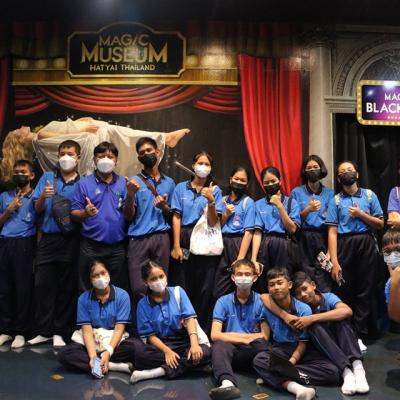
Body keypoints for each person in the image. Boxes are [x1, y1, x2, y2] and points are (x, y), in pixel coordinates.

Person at [263, 271, 369, 395]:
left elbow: (347, 311)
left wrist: (311, 318)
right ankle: (346, 372)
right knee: (314, 330)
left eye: (305, 289)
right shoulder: (301, 308)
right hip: (321, 349)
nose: (303, 295)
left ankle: (358, 368)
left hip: (340, 342)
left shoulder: (328, 297)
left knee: (340, 321)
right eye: (298, 293)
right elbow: (264, 297)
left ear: (313, 285)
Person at [1, 117, 190, 179]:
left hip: (88, 135)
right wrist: (83, 128)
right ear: (19, 139)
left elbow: (66, 130)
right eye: (18, 130)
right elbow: (66, 138)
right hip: (88, 138)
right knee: (122, 134)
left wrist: (82, 122)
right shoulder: (39, 136)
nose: (22, 126)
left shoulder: (39, 139)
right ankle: (165, 138)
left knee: (123, 137)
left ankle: (164, 138)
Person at [253, 268, 340, 400]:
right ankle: (295, 387)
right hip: (280, 349)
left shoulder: (303, 309)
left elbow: (303, 343)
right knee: (259, 360)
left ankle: (276, 375)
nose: (276, 287)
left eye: (280, 283)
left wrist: (291, 363)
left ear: (289, 285)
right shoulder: (267, 307)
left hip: (301, 351)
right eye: (272, 285)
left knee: (332, 372)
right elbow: (263, 299)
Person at [28, 140, 81, 348]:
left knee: (66, 287)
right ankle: (44, 331)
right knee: (43, 285)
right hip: (47, 239)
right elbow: (37, 209)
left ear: (78, 158)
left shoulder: (83, 183)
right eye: (62, 153)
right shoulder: (47, 177)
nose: (66, 157)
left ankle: (60, 331)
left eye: (70, 153)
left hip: (70, 240)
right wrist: (42, 196)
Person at [326, 160, 384, 351]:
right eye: (342, 171)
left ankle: (360, 334)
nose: (346, 173)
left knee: (365, 289)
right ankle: (346, 334)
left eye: (350, 170)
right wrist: (334, 261)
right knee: (345, 290)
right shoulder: (335, 200)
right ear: (338, 178)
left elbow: (380, 224)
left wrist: (361, 214)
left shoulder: (369, 195)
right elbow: (332, 231)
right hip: (344, 244)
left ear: (357, 174)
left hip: (366, 242)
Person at [130, 260, 211, 384]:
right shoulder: (143, 304)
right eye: (153, 279)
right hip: (162, 345)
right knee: (141, 356)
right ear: (146, 282)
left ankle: (159, 372)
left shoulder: (178, 292)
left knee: (206, 352)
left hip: (184, 342)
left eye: (161, 276)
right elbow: (150, 336)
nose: (159, 281)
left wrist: (194, 345)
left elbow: (190, 319)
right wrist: (167, 351)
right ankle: (191, 366)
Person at [170, 151, 224, 332]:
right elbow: (176, 217)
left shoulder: (215, 190)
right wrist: (176, 245)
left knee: (205, 288)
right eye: (200, 163)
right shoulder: (180, 188)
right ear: (193, 165)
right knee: (184, 285)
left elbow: (213, 222)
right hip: (185, 237)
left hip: (205, 238)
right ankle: (184, 330)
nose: (203, 167)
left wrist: (211, 201)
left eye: (207, 164)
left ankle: (202, 331)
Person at [58, 260, 135, 375]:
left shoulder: (122, 295)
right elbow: (87, 332)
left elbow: (119, 329)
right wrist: (93, 357)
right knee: (64, 354)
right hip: (92, 342)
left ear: (109, 273)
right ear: (90, 279)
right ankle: (110, 365)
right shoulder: (83, 299)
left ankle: (101, 362)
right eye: (95, 275)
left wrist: (108, 352)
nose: (100, 278)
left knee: (135, 349)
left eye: (103, 273)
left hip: (114, 342)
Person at [209, 259, 269, 400]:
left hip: (253, 350)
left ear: (255, 278)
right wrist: (245, 338)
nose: (243, 277)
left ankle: (267, 376)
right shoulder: (223, 301)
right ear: (233, 277)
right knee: (218, 346)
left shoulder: (262, 301)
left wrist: (237, 337)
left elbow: (265, 335)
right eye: (239, 274)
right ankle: (227, 384)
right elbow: (215, 335)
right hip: (231, 351)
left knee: (263, 345)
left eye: (247, 274)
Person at [71, 141, 127, 291]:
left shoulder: (124, 182)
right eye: (101, 156)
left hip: (117, 247)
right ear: (94, 160)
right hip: (91, 246)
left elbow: (129, 214)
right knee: (87, 288)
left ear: (116, 160)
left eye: (110, 156)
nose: (105, 160)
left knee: (117, 289)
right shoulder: (83, 183)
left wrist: (132, 195)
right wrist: (85, 213)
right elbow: (74, 213)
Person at [124, 137, 175, 302]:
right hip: (139, 238)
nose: (146, 154)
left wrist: (164, 207)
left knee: (160, 285)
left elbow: (172, 215)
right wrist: (130, 195)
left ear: (157, 152)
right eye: (142, 153)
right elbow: (128, 216)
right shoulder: (134, 182)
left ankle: (161, 318)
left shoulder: (170, 183)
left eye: (149, 150)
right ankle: (142, 319)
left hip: (162, 237)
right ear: (139, 158)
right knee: (138, 288)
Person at [0, 160, 36, 348]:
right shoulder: (5, 196)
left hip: (24, 244)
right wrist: (9, 210)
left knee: (23, 290)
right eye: (16, 172)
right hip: (5, 243)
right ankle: (6, 330)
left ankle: (21, 332)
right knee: (5, 289)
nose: (19, 175)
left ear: (32, 175)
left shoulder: (37, 197)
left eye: (23, 172)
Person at [251, 166, 301, 293]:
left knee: (282, 280)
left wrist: (279, 206)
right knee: (263, 282)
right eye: (266, 182)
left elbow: (292, 229)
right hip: (265, 244)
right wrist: (253, 258)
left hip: (284, 243)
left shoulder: (291, 203)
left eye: (273, 181)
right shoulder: (258, 204)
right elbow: (257, 233)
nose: (270, 185)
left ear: (280, 181)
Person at [291, 155, 334, 292]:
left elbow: (332, 223)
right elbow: (294, 222)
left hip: (323, 237)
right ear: (304, 171)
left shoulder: (330, 193)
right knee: (304, 272)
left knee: (324, 270)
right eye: (309, 168)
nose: (312, 170)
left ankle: (324, 301)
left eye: (315, 167)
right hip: (303, 237)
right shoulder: (297, 192)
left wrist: (330, 250)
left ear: (321, 169)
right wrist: (308, 209)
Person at [213, 167, 255, 299]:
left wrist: (240, 259)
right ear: (230, 179)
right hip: (221, 243)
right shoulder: (222, 200)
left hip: (238, 243)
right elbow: (216, 227)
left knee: (240, 285)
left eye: (243, 180)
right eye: (236, 179)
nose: (239, 182)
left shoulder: (248, 202)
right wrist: (226, 215)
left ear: (247, 184)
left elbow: (249, 233)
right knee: (218, 290)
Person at [382, 229, 400, 323]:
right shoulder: (390, 284)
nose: (393, 255)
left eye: (398, 250)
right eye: (388, 252)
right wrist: (394, 282)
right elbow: (395, 316)